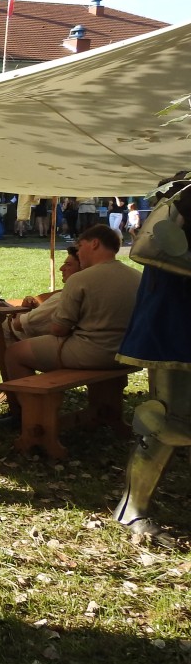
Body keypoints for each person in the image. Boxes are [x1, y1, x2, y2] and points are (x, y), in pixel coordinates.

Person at [112, 176, 191, 541]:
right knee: (170, 420)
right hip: (177, 322)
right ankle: (132, 509)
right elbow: (150, 245)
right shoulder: (186, 193)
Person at [0, 224, 142, 424]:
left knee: (15, 353)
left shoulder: (81, 278)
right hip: (128, 352)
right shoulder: (137, 276)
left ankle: (30, 418)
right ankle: (101, 412)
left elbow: (59, 329)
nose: (78, 253)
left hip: (93, 352)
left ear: (94, 244)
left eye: (80, 246)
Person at [4, 246, 82, 343]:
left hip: (20, 336)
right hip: (49, 340)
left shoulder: (63, 298)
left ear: (82, 269)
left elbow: (19, 325)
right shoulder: (86, 294)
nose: (61, 268)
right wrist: (38, 307)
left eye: (68, 265)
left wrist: (21, 311)